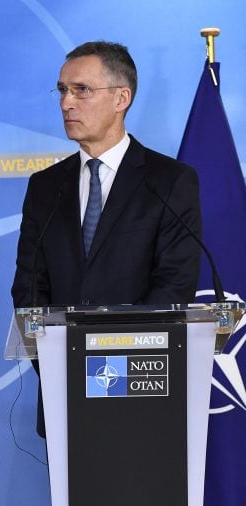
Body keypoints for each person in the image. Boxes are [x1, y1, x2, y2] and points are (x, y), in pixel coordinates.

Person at [11, 41, 202, 437]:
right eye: (62, 90)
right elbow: (29, 289)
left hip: (143, 393)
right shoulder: (46, 187)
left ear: (121, 98)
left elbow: (173, 284)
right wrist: (64, 366)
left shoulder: (168, 181)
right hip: (65, 393)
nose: (66, 103)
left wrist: (111, 371)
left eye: (81, 90)